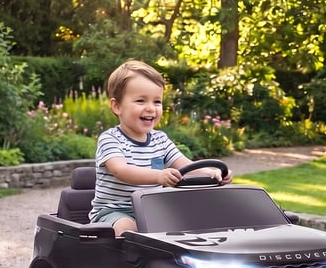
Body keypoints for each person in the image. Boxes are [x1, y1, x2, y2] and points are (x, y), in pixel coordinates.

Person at [89, 60, 232, 236]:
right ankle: (130, 262)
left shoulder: (160, 139)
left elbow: (184, 165)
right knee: (127, 228)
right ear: (117, 106)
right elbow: (121, 171)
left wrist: (211, 172)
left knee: (193, 220)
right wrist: (159, 176)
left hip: (152, 210)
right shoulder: (110, 139)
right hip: (114, 212)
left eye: (157, 102)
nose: (151, 108)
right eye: (141, 101)